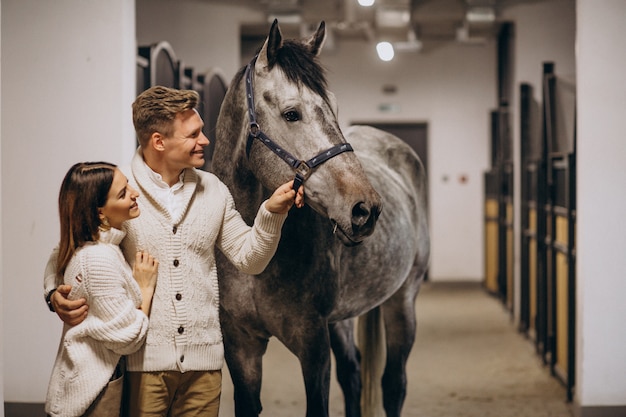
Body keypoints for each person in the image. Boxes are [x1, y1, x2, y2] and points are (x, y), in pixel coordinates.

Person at [44, 86, 305, 417]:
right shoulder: (122, 193)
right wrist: (54, 292)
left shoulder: (214, 191)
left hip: (205, 368)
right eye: (193, 134)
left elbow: (249, 259)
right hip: (142, 366)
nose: (205, 141)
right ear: (159, 141)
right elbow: (67, 251)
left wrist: (272, 212)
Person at [45, 162, 159, 417]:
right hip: (94, 394)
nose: (135, 193)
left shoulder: (95, 248)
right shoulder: (99, 259)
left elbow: (56, 255)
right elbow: (128, 338)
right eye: (123, 193)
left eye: (128, 184)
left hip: (90, 386)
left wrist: (51, 293)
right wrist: (145, 289)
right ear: (100, 213)